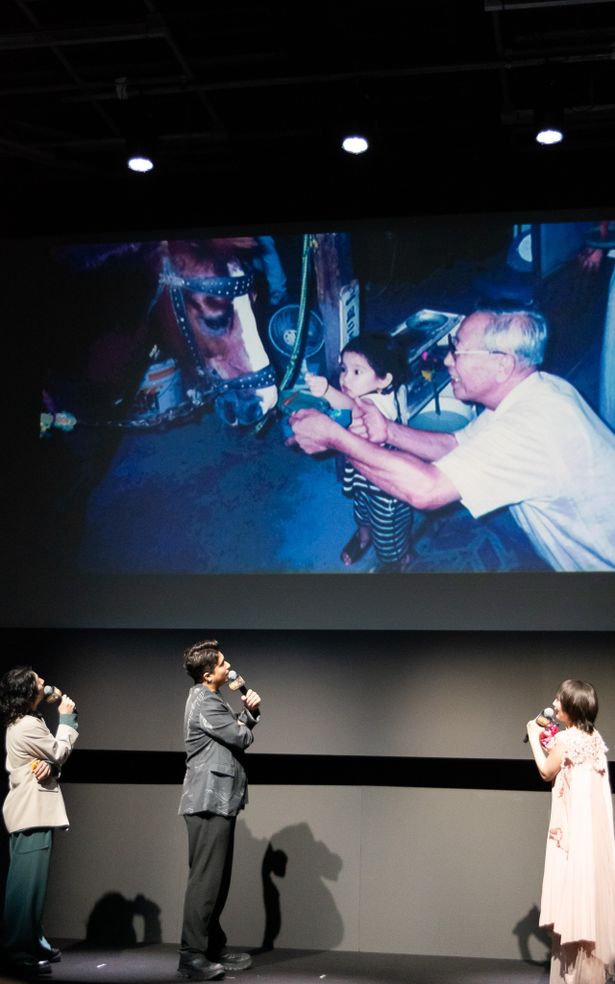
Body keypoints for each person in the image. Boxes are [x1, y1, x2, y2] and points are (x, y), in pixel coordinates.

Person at [289, 306, 615, 571]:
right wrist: (388, 431)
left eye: (457, 350)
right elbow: (454, 443)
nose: (447, 360)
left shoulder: (530, 428)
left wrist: (336, 437)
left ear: (502, 365)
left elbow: (427, 490)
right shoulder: (538, 390)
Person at [177, 640, 261, 982]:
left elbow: (234, 733)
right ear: (209, 673)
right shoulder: (204, 702)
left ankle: (211, 945)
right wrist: (250, 716)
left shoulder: (211, 700)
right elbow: (239, 737)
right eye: (224, 664)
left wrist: (248, 715)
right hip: (207, 800)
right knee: (205, 881)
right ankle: (191, 955)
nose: (229, 668)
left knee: (217, 880)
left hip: (218, 800)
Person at [526, 680, 615, 983]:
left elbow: (546, 771)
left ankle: (572, 976)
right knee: (585, 900)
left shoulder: (567, 739)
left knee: (572, 897)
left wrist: (534, 735)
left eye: (559, 700)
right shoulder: (594, 739)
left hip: (572, 840)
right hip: (588, 839)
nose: (555, 703)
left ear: (571, 707)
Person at [305, 333, 412, 571]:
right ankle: (364, 536)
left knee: (388, 528)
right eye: (344, 369)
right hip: (361, 469)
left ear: (383, 381)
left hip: (385, 484)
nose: (345, 378)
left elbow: (351, 407)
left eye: (356, 372)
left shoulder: (379, 405)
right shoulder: (376, 390)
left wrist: (326, 392)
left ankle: (397, 559)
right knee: (361, 507)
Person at [0, 667, 78, 978]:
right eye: (37, 680)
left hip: (33, 812)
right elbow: (58, 750)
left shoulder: (28, 722)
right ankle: (18, 952)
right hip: (30, 813)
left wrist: (50, 766)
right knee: (25, 888)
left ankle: (31, 943)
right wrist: (68, 719)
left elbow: (46, 761)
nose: (44, 682)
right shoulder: (28, 725)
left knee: (33, 886)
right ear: (28, 691)